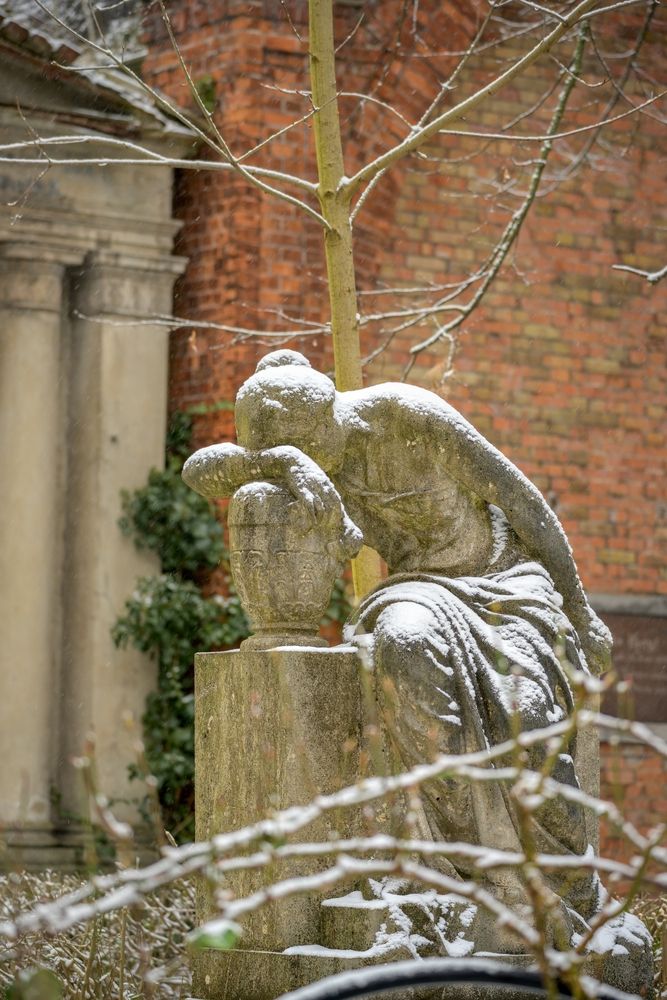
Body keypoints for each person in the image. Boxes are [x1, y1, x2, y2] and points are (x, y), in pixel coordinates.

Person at [183, 350, 612, 935]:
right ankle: (473, 870)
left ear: (330, 416)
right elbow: (201, 470)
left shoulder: (405, 415)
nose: (321, 464)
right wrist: (285, 462)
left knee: (527, 709)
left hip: (506, 580)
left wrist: (581, 611)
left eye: (316, 450)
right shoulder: (307, 457)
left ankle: (567, 882)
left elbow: (521, 499)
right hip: (416, 590)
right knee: (403, 646)